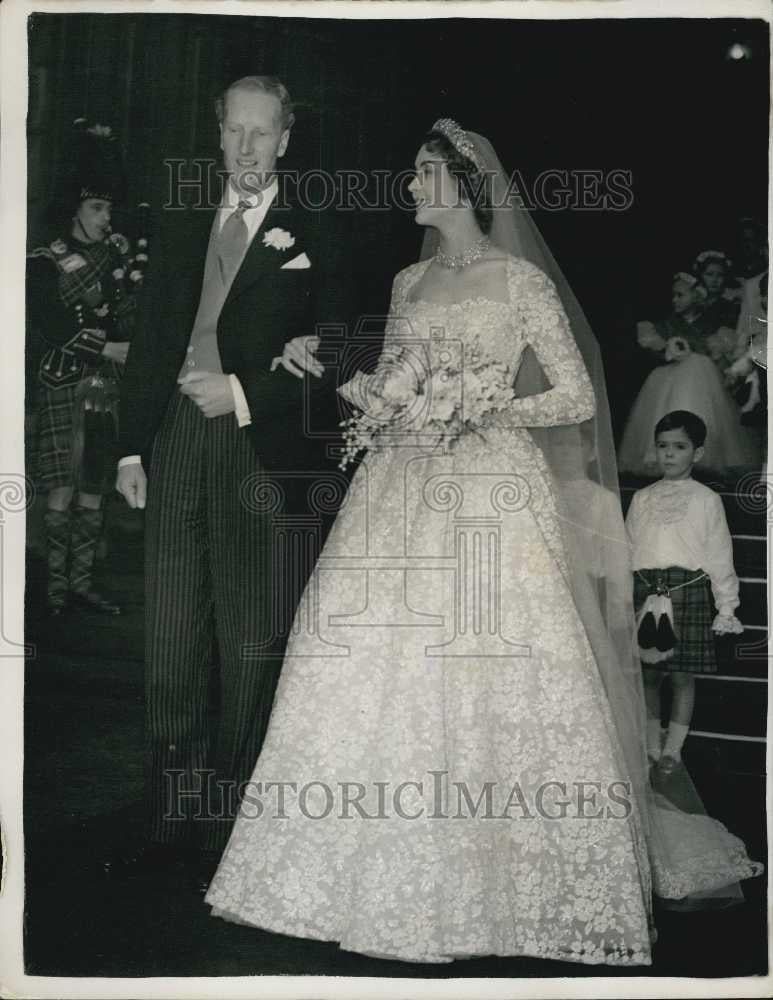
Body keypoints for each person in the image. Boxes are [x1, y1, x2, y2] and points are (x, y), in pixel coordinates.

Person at [204, 119, 658, 965]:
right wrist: (333, 369)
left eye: (420, 172)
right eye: (410, 172)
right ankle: (338, 876)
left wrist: (479, 407)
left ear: (462, 182)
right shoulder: (408, 279)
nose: (409, 186)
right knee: (362, 658)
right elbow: (389, 396)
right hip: (398, 483)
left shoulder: (518, 281)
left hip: (489, 493)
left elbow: (571, 398)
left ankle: (498, 885)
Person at [113, 75, 346, 879]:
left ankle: (232, 823)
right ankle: (172, 819)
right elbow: (150, 335)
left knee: (249, 640)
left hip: (258, 448)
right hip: (175, 436)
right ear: (219, 134)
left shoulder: (317, 226)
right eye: (235, 132)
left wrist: (247, 392)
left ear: (285, 139)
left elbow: (350, 352)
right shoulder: (181, 216)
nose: (247, 149)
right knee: (172, 635)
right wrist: (129, 449)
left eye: (263, 134)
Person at [27, 119, 135, 616]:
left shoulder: (119, 259)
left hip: (101, 388)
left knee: (93, 486)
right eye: (97, 207)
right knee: (61, 485)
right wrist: (106, 351)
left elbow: (123, 317)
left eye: (109, 206)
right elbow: (50, 324)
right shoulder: (46, 258)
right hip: (60, 379)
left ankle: (82, 586)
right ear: (74, 209)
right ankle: (52, 590)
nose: (106, 217)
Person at [626, 411, 743, 772]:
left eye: (679, 447)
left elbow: (720, 553)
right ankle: (649, 743)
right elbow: (627, 547)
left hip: (687, 592)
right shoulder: (642, 498)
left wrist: (727, 606)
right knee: (648, 674)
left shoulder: (707, 499)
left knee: (681, 676)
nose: (669, 454)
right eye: (663, 446)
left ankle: (672, 751)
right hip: (646, 591)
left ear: (697, 453)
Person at [617, 271, 760, 477]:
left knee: (697, 405)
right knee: (667, 409)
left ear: (697, 296)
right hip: (669, 379)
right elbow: (653, 349)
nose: (675, 300)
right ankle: (664, 455)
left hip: (701, 377)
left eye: (680, 295)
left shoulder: (710, 324)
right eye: (673, 295)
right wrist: (667, 351)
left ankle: (701, 455)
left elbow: (719, 353)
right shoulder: (666, 324)